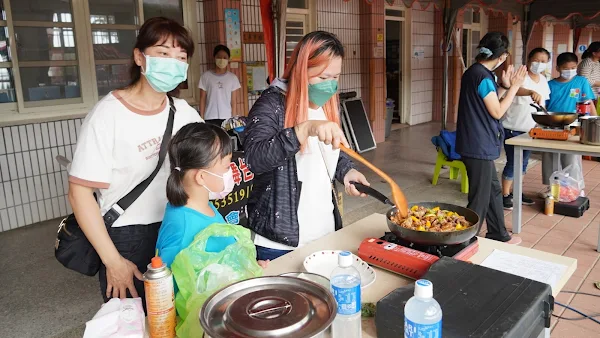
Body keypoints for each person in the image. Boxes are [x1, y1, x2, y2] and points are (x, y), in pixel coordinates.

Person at [67, 17, 201, 310]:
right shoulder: (108, 115)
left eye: (181, 57)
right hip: (127, 237)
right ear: (140, 56)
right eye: (163, 53)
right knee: (132, 320)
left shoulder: (185, 113)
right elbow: (80, 193)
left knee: (178, 315)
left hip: (178, 225)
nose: (174, 63)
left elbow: (208, 165)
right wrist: (113, 260)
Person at [243, 31, 370, 261]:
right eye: (323, 78)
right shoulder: (271, 104)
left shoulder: (328, 103)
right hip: (279, 242)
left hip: (325, 230)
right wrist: (303, 129)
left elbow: (331, 149)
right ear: (301, 70)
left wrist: (346, 170)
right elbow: (255, 159)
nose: (330, 85)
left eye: (335, 77)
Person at [155, 123, 267, 289]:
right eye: (227, 167)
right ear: (201, 177)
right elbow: (174, 294)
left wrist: (246, 268)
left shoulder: (205, 207)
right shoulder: (182, 228)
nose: (231, 173)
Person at [456, 32, 526, 244]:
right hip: (478, 144)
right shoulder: (483, 76)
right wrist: (514, 87)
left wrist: (504, 87)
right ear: (503, 56)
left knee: (493, 190)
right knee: (479, 198)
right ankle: (464, 241)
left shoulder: (476, 72)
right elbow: (497, 112)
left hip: (478, 142)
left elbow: (488, 104)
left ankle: (498, 233)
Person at [501, 48, 551, 210]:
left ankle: (517, 191)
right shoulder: (520, 76)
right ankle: (505, 195)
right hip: (512, 128)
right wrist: (529, 91)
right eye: (536, 60)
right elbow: (511, 90)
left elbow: (544, 102)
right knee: (513, 162)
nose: (539, 64)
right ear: (529, 60)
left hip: (531, 130)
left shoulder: (543, 80)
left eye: (543, 62)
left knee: (523, 164)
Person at [541, 52, 597, 194]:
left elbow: (589, 103)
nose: (570, 71)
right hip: (552, 125)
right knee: (550, 157)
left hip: (574, 125)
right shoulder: (549, 85)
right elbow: (544, 106)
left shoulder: (581, 81)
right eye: (566, 68)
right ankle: (552, 188)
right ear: (558, 68)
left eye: (573, 67)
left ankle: (576, 188)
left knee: (571, 159)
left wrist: (596, 122)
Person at [199, 45, 242, 126]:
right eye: (219, 57)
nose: (222, 60)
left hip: (227, 117)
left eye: (225, 57)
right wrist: (201, 118)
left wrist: (233, 118)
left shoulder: (232, 78)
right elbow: (202, 99)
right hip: (209, 117)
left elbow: (234, 102)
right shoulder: (205, 76)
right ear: (214, 57)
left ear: (228, 59)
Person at [577, 41, 600, 110]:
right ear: (594, 53)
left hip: (595, 96)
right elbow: (584, 81)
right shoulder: (587, 62)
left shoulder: (597, 63)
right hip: (588, 96)